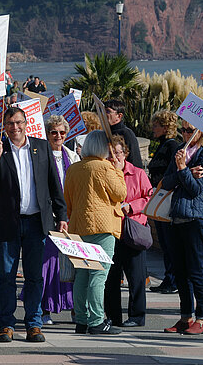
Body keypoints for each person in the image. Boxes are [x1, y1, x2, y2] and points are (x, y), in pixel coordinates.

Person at [0, 107, 68, 343]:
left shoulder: (41, 148)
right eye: (10, 123)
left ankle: (34, 323)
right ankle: (7, 324)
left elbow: (54, 184)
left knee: (34, 276)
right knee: (6, 276)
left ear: (26, 123)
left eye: (18, 122)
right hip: (8, 222)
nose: (15, 127)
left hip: (36, 222)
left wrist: (62, 215)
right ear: (5, 126)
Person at [64, 130, 126, 335]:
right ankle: (97, 320)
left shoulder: (73, 169)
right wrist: (118, 170)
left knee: (82, 275)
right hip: (103, 227)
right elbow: (120, 193)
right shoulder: (105, 167)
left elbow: (68, 200)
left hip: (80, 226)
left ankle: (81, 319)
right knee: (98, 276)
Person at [161, 121, 203, 335]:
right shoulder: (179, 151)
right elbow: (165, 182)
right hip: (176, 217)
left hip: (194, 219)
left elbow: (197, 190)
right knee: (180, 271)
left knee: (196, 270)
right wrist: (183, 172)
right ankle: (186, 317)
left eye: (190, 130)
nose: (185, 134)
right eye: (183, 130)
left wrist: (183, 170)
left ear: (201, 131)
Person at [35, 115, 80, 325]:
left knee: (71, 263)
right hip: (47, 216)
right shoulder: (39, 154)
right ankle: (45, 308)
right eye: (54, 132)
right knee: (48, 264)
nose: (58, 136)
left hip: (70, 216)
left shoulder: (73, 156)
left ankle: (73, 307)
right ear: (47, 133)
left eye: (62, 133)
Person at [104, 135, 152, 327]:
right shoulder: (104, 173)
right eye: (110, 153)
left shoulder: (138, 173)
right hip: (112, 231)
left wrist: (131, 207)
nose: (114, 157)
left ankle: (137, 316)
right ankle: (114, 317)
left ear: (125, 153)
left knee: (136, 277)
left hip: (133, 230)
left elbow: (149, 198)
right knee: (111, 278)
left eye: (118, 152)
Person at [148, 110, 180, 294]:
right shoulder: (162, 145)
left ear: (166, 127)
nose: (153, 128)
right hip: (158, 198)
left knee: (169, 243)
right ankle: (169, 278)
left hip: (166, 200)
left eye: (157, 125)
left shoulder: (172, 146)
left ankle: (173, 280)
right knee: (164, 243)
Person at [104, 100, 143, 168]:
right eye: (103, 111)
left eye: (108, 111)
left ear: (119, 116)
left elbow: (135, 160)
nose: (104, 114)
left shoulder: (127, 133)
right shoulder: (104, 132)